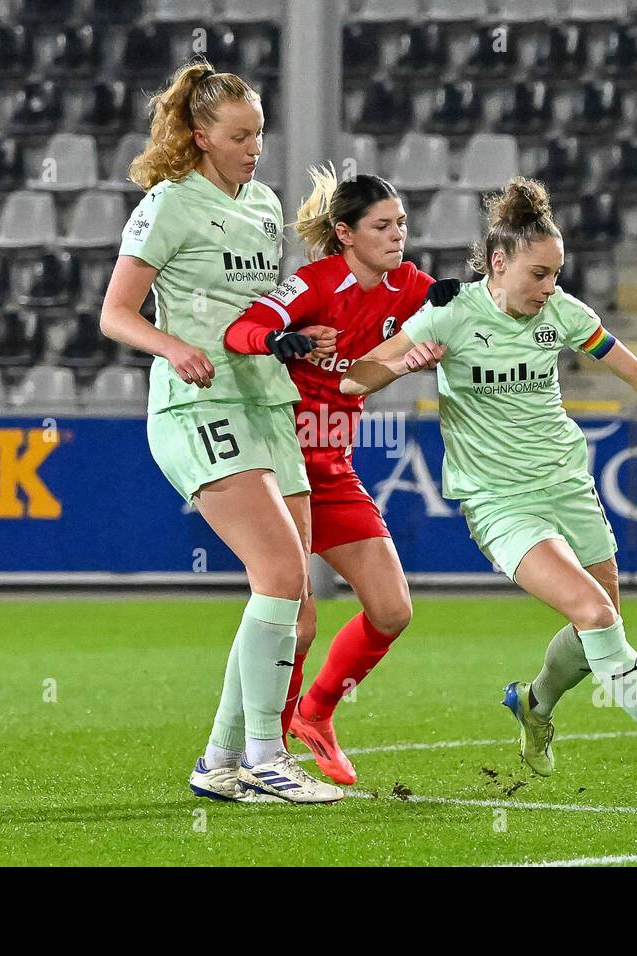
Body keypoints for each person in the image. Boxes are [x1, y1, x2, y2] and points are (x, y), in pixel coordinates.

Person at [340, 177, 637, 800]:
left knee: (603, 622)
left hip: (566, 483)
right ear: (498, 264)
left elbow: (635, 370)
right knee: (594, 613)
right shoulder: (450, 313)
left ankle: (534, 704)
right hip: (499, 502)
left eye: (555, 274)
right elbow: (354, 380)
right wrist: (402, 364)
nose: (548, 287)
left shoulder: (564, 314)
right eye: (538, 274)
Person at [99, 61, 340, 804]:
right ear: (200, 135)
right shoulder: (169, 204)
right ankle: (268, 758)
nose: (253, 148)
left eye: (260, 134)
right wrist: (172, 346)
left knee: (299, 611)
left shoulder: (265, 205)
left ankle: (221, 760)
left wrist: (298, 337)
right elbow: (115, 312)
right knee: (278, 574)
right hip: (197, 408)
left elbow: (260, 310)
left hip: (267, 403)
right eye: (239, 136)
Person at [224, 165, 460, 785]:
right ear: (345, 233)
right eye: (382, 225)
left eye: (401, 223)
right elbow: (239, 329)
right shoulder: (315, 284)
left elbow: (460, 310)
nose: (397, 235)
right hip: (281, 469)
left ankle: (316, 713)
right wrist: (283, 341)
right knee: (297, 622)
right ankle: (265, 755)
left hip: (334, 471)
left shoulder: (407, 287)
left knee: (392, 610)